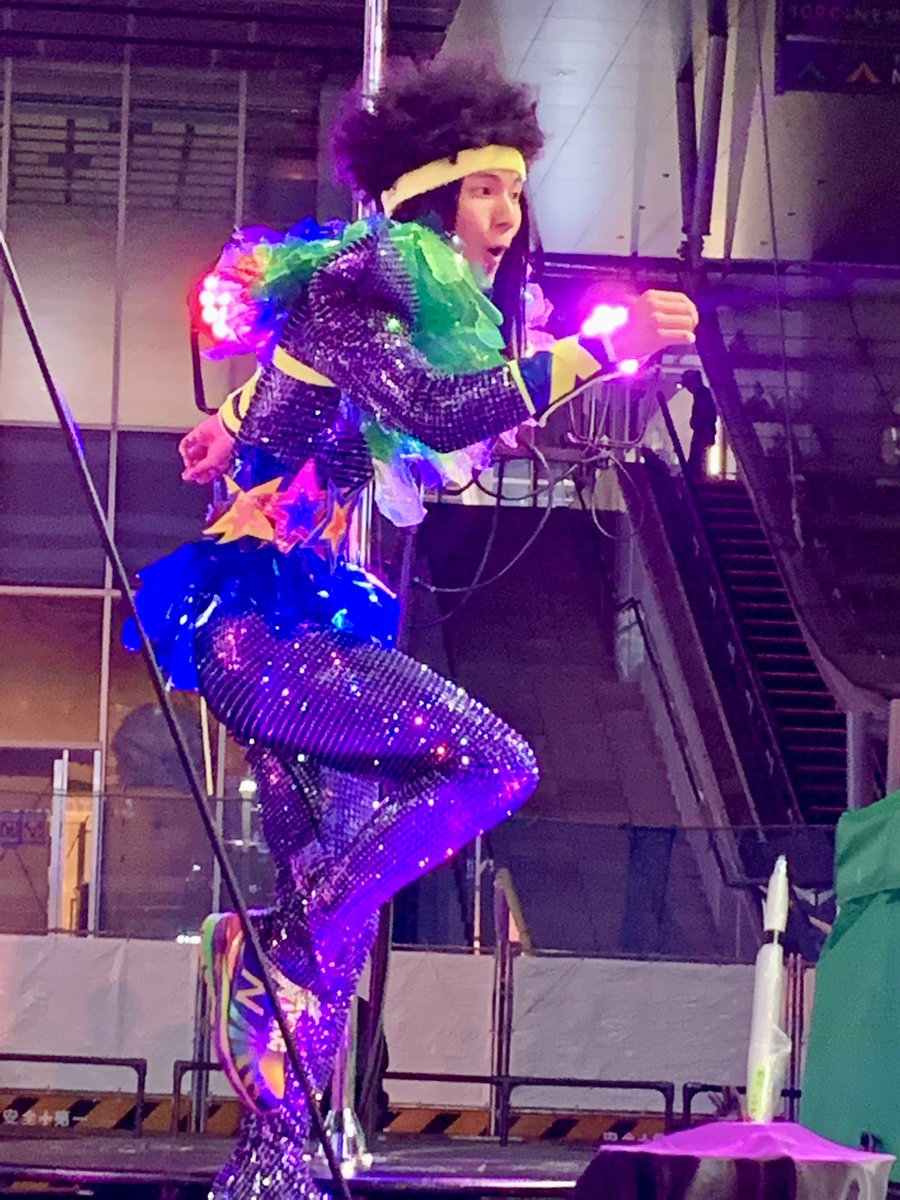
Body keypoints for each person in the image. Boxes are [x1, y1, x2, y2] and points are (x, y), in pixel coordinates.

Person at [131, 58, 698, 1199]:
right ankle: (288, 929)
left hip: (290, 622)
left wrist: (230, 418)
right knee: (495, 765)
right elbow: (433, 411)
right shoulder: (371, 274)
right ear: (432, 193)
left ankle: (273, 1167)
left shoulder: (404, 304)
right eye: (486, 189)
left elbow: (339, 405)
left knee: (331, 941)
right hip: (267, 637)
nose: (507, 214)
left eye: (516, 191)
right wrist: (600, 348)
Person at [681, 368, 717, 478]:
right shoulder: (702, 395)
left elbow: (705, 416)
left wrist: (703, 430)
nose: (688, 389)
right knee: (696, 458)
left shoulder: (703, 395)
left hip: (702, 433)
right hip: (702, 432)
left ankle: (695, 477)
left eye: (688, 385)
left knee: (697, 458)